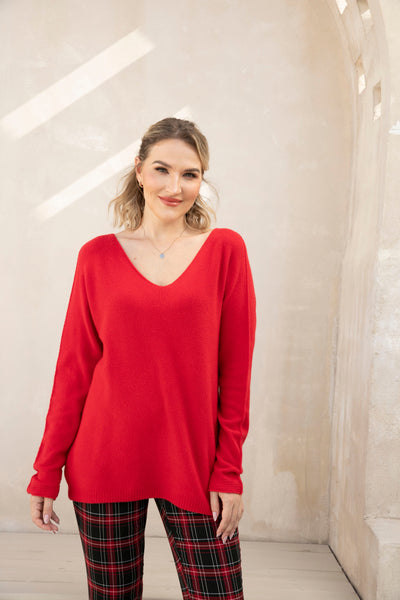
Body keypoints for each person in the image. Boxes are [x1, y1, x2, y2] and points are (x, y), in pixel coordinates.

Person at [27, 116, 257, 600]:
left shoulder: (226, 251)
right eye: (162, 170)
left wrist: (229, 471)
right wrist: (45, 471)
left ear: (202, 179)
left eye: (190, 174)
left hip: (194, 463)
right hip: (104, 457)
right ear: (138, 171)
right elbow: (73, 371)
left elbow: (236, 375)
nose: (175, 187)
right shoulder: (96, 257)